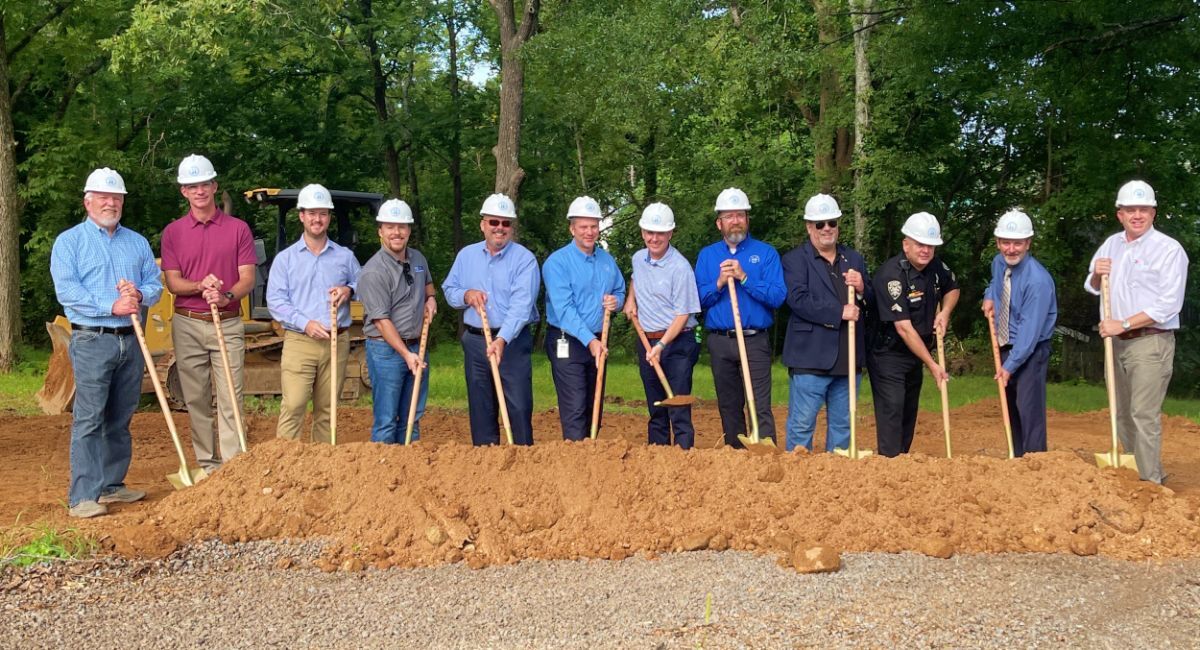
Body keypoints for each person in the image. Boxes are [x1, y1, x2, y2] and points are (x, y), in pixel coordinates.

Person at [50, 168, 163, 518]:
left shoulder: (137, 242)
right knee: (90, 417)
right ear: (88, 201)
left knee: (120, 415)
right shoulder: (70, 242)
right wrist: (110, 305)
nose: (110, 203)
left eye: (116, 198)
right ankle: (83, 495)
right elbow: (67, 291)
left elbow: (156, 285)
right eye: (104, 197)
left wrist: (141, 293)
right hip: (92, 340)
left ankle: (112, 485)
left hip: (131, 341)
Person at [1085, 180, 1188, 484]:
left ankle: (1150, 483)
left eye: (1143, 209)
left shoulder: (1169, 250)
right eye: (1131, 209)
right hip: (1115, 343)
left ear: (1153, 212)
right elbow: (1091, 286)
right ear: (1120, 214)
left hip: (1150, 342)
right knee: (1121, 413)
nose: (1137, 215)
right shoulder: (1111, 245)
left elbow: (1169, 305)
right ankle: (1132, 473)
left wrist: (1124, 323)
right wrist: (1095, 274)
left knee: (1143, 414)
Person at [160, 154, 257, 472]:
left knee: (231, 394)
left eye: (204, 183)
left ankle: (232, 465)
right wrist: (201, 286)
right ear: (183, 191)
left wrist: (225, 294)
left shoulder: (238, 229)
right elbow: (173, 282)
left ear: (214, 186)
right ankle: (208, 463)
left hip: (227, 322)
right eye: (192, 185)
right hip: (188, 323)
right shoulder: (173, 233)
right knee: (196, 398)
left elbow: (247, 278)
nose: (199, 190)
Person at [442, 193, 540, 445]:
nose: (500, 228)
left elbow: (521, 306)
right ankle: (486, 464)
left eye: (506, 223)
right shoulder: (466, 256)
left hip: (512, 342)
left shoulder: (524, 259)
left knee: (517, 405)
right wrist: (466, 294)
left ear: (511, 227)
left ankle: (522, 460)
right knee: (481, 405)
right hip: (476, 341)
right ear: (483, 224)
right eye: (494, 222)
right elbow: (449, 290)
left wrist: (502, 340)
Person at [266, 183, 361, 443]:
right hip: (300, 340)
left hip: (336, 340)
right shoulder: (286, 260)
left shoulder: (344, 257)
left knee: (328, 408)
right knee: (294, 404)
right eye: (312, 213)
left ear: (329, 218)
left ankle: (322, 465)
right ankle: (286, 463)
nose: (317, 219)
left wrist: (348, 290)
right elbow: (276, 300)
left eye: (322, 213)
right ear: (302, 216)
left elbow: (363, 287)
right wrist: (304, 323)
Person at [695, 187, 786, 448]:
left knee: (759, 404)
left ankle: (767, 458)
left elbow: (778, 296)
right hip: (721, 341)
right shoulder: (708, 256)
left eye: (740, 215)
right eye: (729, 216)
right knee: (729, 405)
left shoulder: (766, 253)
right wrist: (720, 282)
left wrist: (745, 278)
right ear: (719, 223)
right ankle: (735, 458)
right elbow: (698, 301)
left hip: (754, 340)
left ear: (747, 219)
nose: (735, 220)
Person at [780, 194, 871, 453]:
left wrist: (863, 287)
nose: (826, 228)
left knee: (843, 427)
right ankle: (798, 482)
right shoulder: (794, 260)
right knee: (801, 426)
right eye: (820, 224)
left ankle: (837, 483)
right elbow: (798, 300)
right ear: (809, 227)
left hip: (847, 357)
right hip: (810, 357)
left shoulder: (853, 259)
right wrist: (838, 311)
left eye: (831, 222)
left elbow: (871, 299)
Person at [867, 211, 960, 457]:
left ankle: (903, 461)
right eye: (920, 244)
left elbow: (953, 288)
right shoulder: (892, 276)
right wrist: (932, 364)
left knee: (909, 410)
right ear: (905, 244)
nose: (925, 250)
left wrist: (946, 312)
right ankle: (889, 463)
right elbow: (904, 328)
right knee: (893, 408)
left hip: (915, 355)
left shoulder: (936, 267)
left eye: (930, 246)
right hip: (889, 354)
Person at [543, 196, 626, 441]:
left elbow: (620, 290)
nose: (589, 232)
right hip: (567, 341)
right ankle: (574, 458)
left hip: (599, 341)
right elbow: (564, 310)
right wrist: (591, 342)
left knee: (594, 403)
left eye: (594, 226)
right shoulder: (557, 263)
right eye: (583, 227)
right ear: (572, 228)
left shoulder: (606, 261)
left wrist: (617, 302)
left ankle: (590, 457)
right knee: (575, 405)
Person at [622, 202, 701, 449]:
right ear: (642, 232)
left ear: (670, 234)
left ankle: (683, 457)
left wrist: (662, 345)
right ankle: (658, 458)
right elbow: (636, 279)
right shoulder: (638, 258)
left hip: (677, 342)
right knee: (655, 406)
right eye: (649, 232)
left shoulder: (680, 267)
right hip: (646, 339)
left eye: (660, 233)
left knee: (677, 405)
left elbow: (682, 314)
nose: (654, 238)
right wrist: (630, 299)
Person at [358, 199, 436, 444]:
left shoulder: (418, 259)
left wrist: (431, 300)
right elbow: (381, 321)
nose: (397, 232)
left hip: (416, 345)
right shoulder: (373, 272)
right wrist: (406, 355)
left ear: (409, 230)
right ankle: (382, 473)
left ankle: (409, 472)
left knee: (413, 416)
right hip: (386, 351)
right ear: (380, 231)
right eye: (390, 227)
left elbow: (428, 286)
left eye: (402, 227)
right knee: (387, 419)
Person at [981, 209, 1057, 457]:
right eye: (1006, 242)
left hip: (1031, 350)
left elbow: (1029, 332)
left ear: (1028, 243)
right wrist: (989, 297)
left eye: (1017, 243)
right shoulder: (998, 262)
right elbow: (994, 284)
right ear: (998, 242)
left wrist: (1009, 367)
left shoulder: (1038, 281)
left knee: (1029, 409)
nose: (1011, 249)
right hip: (1005, 343)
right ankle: (1017, 459)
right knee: (1010, 408)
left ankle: (1036, 464)